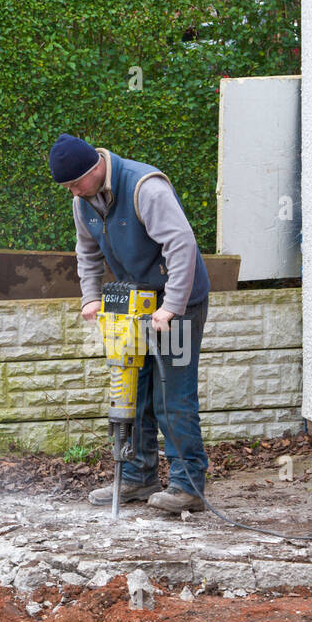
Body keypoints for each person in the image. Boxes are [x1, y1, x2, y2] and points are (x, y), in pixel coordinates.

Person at [49, 133, 210, 514]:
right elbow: (87, 252)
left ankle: (188, 486)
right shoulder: (82, 201)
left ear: (95, 169)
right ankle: (138, 477)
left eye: (75, 183)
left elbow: (181, 244)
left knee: (172, 395)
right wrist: (90, 296)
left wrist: (171, 307)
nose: (72, 192)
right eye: (67, 187)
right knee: (133, 392)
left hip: (180, 302)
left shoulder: (145, 187)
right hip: (135, 305)